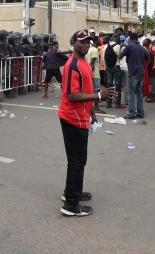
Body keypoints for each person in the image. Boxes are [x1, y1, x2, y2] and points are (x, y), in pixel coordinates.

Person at [58, 30, 115, 217]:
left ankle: (72, 192)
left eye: (88, 42)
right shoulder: (72, 65)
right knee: (76, 161)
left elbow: (85, 89)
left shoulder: (84, 63)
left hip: (81, 117)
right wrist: (98, 96)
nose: (85, 45)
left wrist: (91, 111)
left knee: (79, 161)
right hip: (72, 118)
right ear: (73, 43)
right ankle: (71, 205)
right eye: (82, 41)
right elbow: (72, 95)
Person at [119, 32, 147, 119]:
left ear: (130, 38)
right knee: (139, 92)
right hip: (141, 71)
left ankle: (132, 112)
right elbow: (147, 57)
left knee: (131, 92)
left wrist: (122, 49)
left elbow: (120, 56)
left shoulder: (129, 46)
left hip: (133, 72)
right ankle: (140, 112)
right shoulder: (142, 47)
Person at [86, 36, 105, 114]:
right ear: (95, 41)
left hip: (91, 73)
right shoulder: (94, 50)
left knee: (92, 91)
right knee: (97, 91)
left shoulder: (90, 49)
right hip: (95, 74)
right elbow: (92, 64)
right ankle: (96, 108)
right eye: (99, 40)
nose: (100, 41)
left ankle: (91, 107)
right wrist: (90, 74)